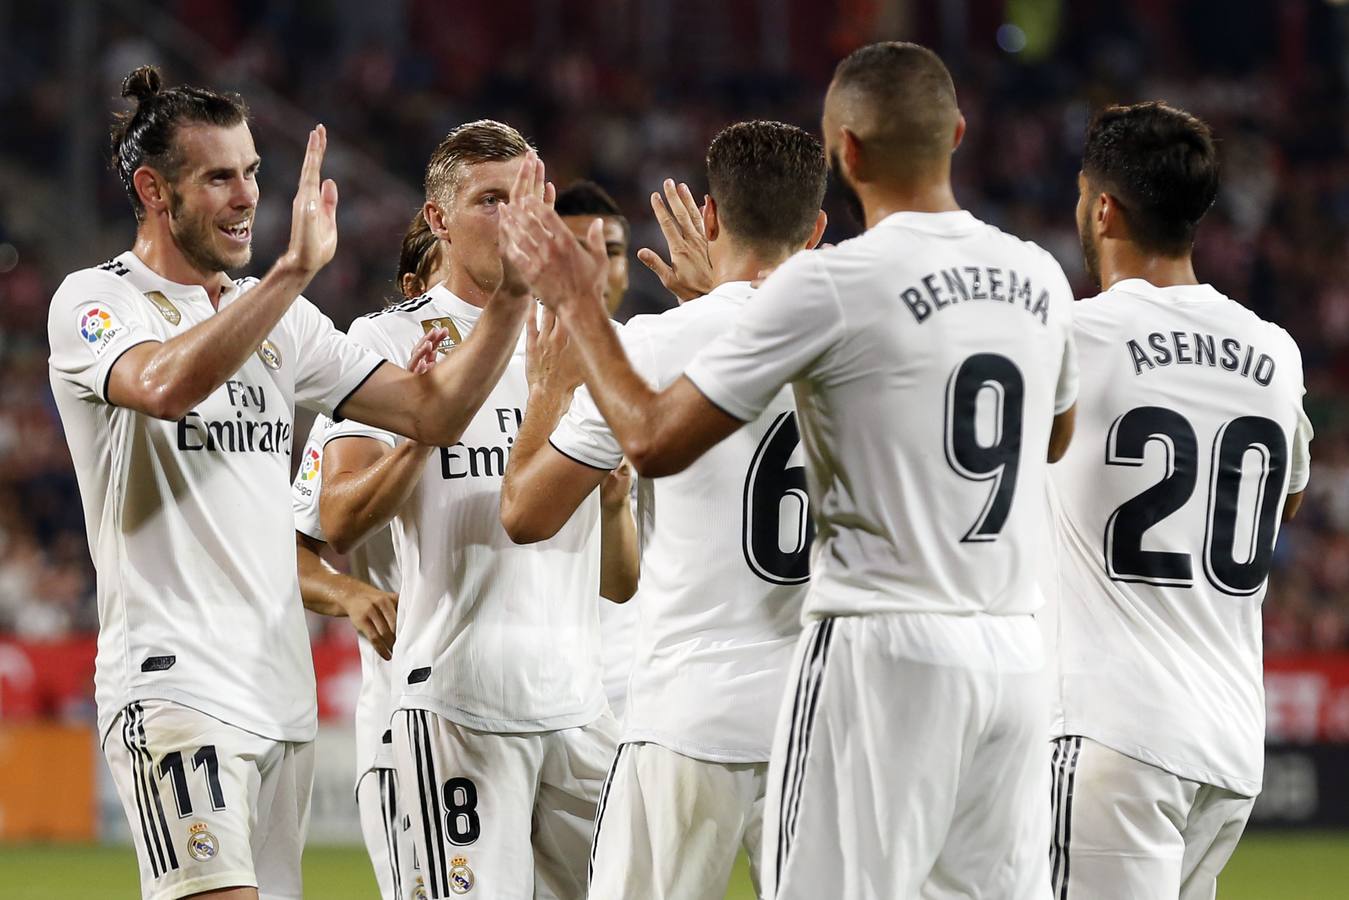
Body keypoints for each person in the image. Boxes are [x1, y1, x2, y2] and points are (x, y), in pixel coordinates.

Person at [498, 42, 1078, 899]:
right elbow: (1051, 439)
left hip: (790, 681)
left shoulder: (828, 290)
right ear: (956, 133)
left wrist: (579, 304)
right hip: (1004, 658)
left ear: (847, 152)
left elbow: (562, 493)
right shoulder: (1038, 276)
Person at [47, 67, 534, 900]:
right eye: (219, 177)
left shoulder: (285, 324)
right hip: (174, 684)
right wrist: (288, 275)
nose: (246, 197)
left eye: (253, 173)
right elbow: (164, 386)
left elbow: (436, 411)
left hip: (280, 694)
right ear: (152, 190)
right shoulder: (97, 300)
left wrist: (517, 293)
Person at [500, 120, 827, 900]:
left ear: (709, 220)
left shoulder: (653, 343)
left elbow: (526, 514)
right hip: (820, 719)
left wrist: (548, 388)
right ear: (816, 229)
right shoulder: (865, 345)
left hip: (689, 714)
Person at [318, 120, 635, 900]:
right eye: (490, 200)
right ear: (438, 219)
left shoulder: (590, 341)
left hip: (579, 706)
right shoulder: (387, 343)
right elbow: (338, 521)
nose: (513, 218)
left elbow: (619, 580)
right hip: (457, 701)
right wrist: (424, 436)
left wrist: (617, 502)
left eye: (527, 199)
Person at [1042, 101, 1313, 899]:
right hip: (1226, 748)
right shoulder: (1273, 350)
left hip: (1110, 728)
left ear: (1102, 207)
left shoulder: (1073, 335)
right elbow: (1283, 501)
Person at [289, 209, 451, 900]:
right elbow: (295, 554)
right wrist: (351, 593)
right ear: (414, 286)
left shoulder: (539, 365)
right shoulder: (362, 391)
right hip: (414, 709)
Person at [553, 181, 642, 722]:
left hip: (632, 678)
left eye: (610, 251)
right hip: (536, 676)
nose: (597, 266)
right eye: (576, 249)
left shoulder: (655, 360)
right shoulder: (498, 365)